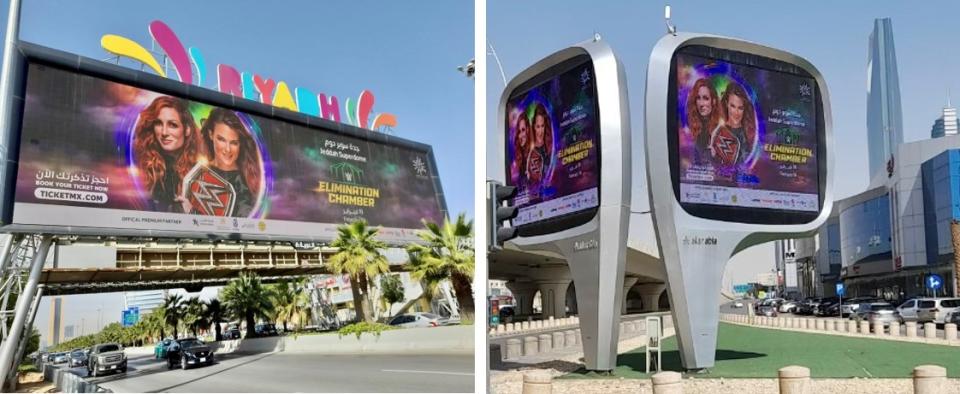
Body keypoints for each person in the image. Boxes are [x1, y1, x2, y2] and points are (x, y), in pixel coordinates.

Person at [132, 96, 204, 212]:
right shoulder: (142, 167)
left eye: (172, 125)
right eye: (159, 123)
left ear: (187, 130)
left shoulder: (200, 172)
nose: (164, 132)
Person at [195, 108, 262, 217]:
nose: (227, 149)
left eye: (234, 143)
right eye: (221, 139)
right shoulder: (198, 171)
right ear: (211, 134)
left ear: (240, 143)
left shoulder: (247, 179)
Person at [710, 82, 756, 168]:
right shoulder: (716, 131)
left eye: (740, 108)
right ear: (727, 103)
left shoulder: (750, 134)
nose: (736, 112)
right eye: (733, 106)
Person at [685, 78, 720, 164]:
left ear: (714, 101)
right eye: (698, 98)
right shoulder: (689, 125)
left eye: (705, 98)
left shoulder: (721, 127)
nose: (701, 104)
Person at [526, 103, 553, 187]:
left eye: (542, 126)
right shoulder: (531, 153)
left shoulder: (551, 147)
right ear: (534, 126)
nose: (540, 131)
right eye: (538, 126)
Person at [511, 115, 532, 187]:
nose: (520, 135)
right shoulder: (516, 155)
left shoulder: (534, 152)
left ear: (528, 130)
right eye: (519, 131)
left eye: (523, 130)